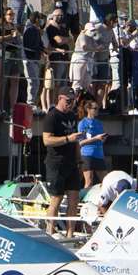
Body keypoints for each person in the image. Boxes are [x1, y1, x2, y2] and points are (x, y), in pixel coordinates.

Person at [42, 90, 86, 238]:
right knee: (57, 198)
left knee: (74, 198)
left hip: (71, 162)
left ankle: (70, 233)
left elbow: (76, 142)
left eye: (73, 100)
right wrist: (67, 138)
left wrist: (80, 162)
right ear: (60, 98)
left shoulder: (73, 116)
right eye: (68, 100)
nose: (70, 103)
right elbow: (47, 140)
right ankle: (51, 230)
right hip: (56, 163)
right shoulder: (52, 116)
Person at [77, 98, 109, 188]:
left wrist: (103, 138)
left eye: (98, 108)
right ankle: (84, 200)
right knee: (89, 182)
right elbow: (80, 142)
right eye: (95, 109)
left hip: (99, 154)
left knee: (106, 182)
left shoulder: (99, 123)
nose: (97, 110)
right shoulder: (82, 123)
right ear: (88, 110)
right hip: (87, 155)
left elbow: (100, 138)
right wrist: (96, 138)